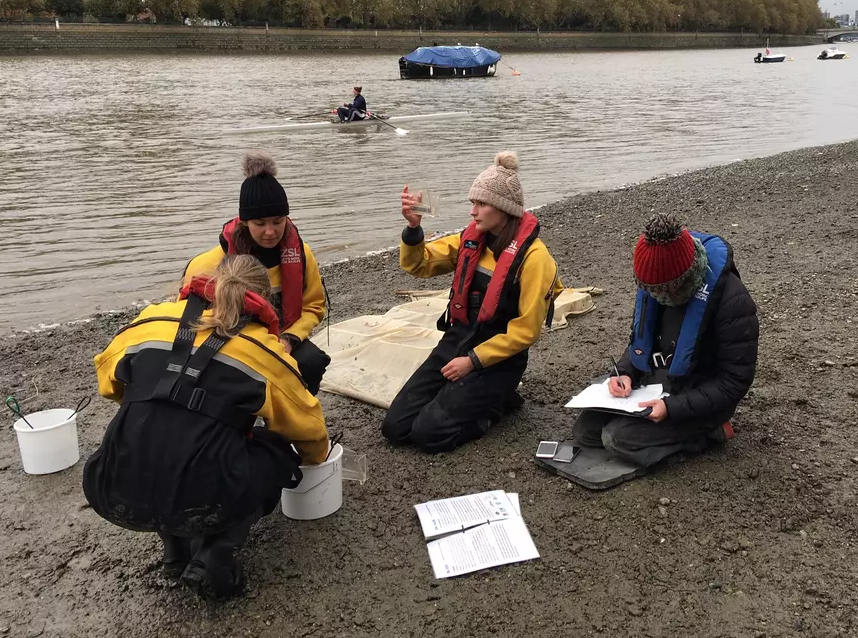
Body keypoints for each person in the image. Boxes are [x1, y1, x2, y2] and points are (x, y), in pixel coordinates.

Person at [83, 255, 329, 600]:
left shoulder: (148, 321)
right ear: (263, 299)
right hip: (203, 497)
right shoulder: (264, 350)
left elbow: (107, 383)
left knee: (156, 438)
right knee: (277, 453)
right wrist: (316, 458)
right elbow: (309, 428)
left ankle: (175, 550)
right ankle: (216, 552)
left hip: (109, 486)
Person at [382, 151, 563, 453]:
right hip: (457, 341)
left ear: (504, 209)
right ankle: (482, 398)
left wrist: (473, 362)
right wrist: (413, 229)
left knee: (429, 435)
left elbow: (527, 332)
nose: (473, 212)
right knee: (396, 428)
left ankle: (496, 407)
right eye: (472, 203)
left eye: (481, 204)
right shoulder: (471, 239)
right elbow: (420, 265)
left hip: (498, 360)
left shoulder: (535, 259)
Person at [572, 214, 759, 468]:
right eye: (650, 289)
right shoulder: (654, 289)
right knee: (585, 431)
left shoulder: (733, 302)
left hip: (700, 395)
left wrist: (672, 408)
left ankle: (708, 434)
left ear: (684, 278)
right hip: (659, 382)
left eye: (662, 290)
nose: (656, 296)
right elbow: (640, 340)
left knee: (616, 439)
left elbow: (734, 383)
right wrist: (626, 372)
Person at [182, 151, 330, 394]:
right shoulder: (205, 265)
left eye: (278, 221)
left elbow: (313, 307)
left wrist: (289, 340)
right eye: (260, 224)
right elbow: (187, 318)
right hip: (227, 340)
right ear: (244, 222)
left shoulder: (302, 255)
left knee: (312, 362)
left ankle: (293, 416)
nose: (270, 232)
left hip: (284, 339)